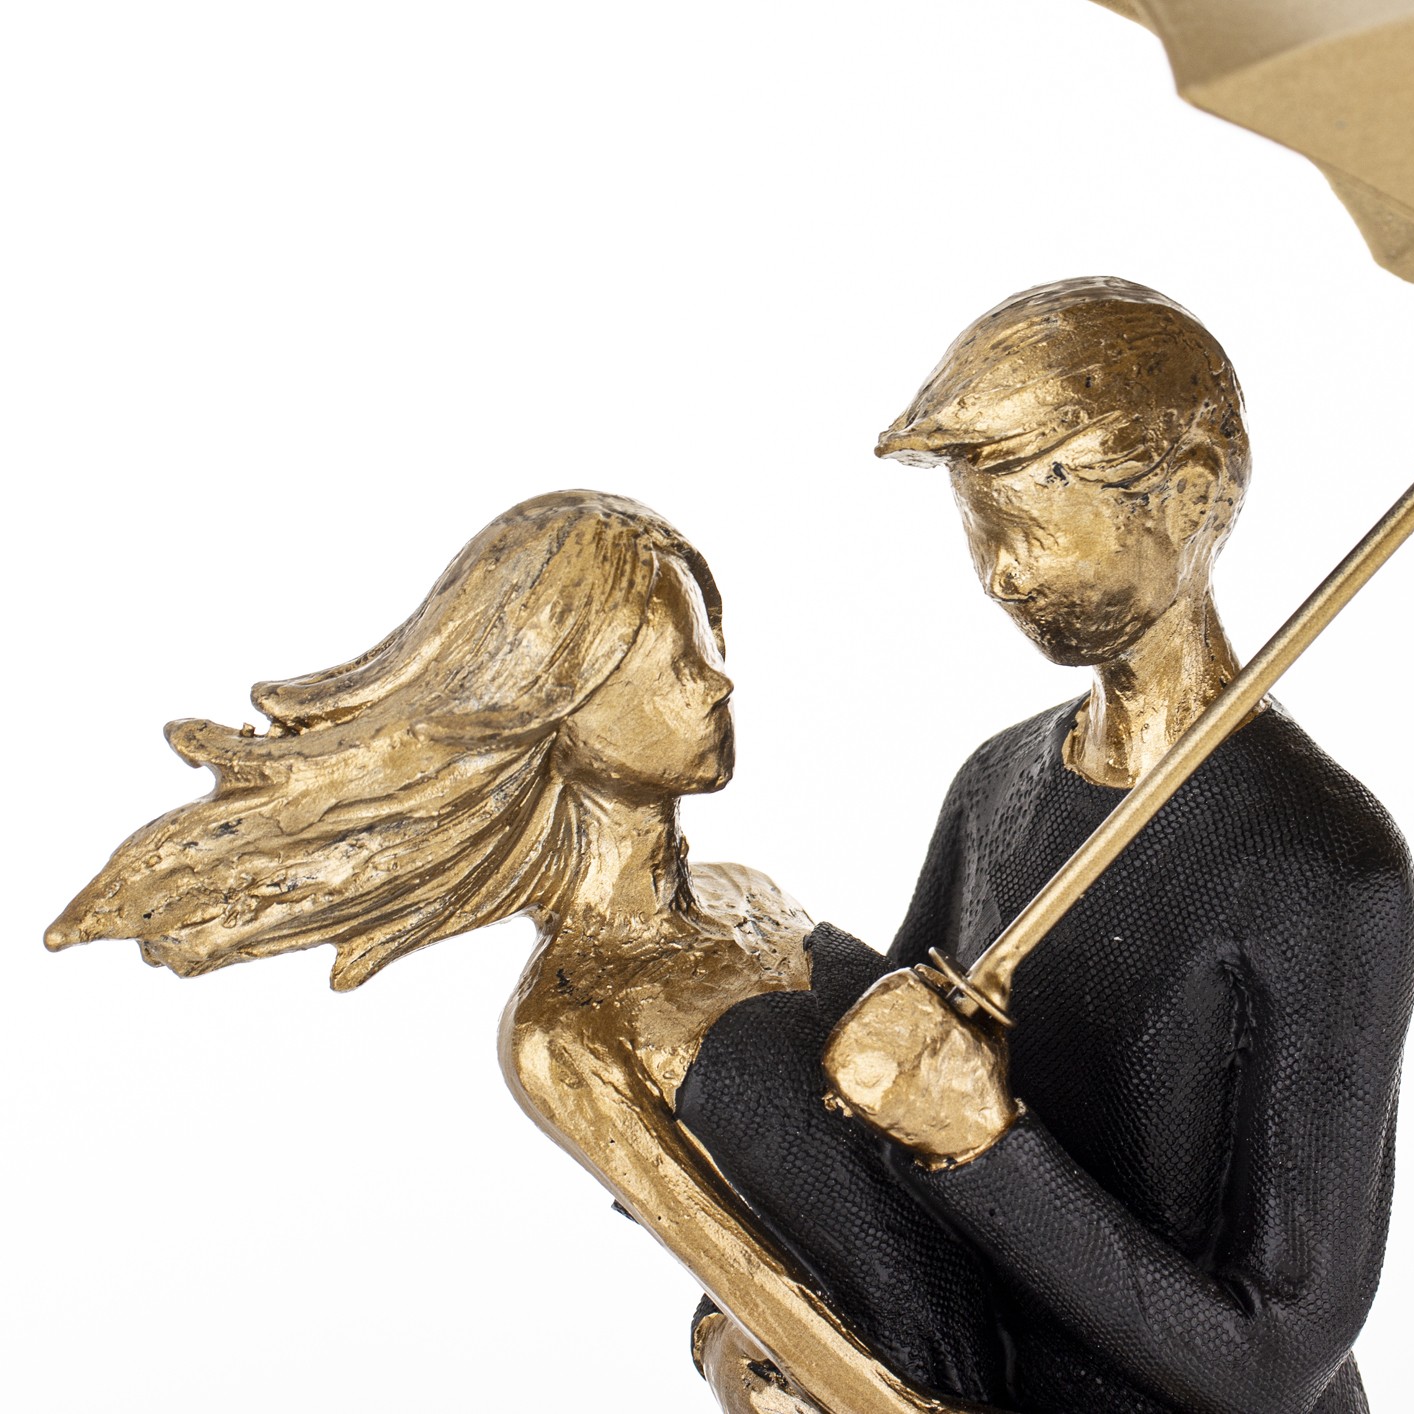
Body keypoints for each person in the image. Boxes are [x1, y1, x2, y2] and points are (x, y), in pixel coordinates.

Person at [46, 490, 994, 1414]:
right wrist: (741, 1351)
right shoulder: (568, 1035)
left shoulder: (750, 891)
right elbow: (764, 1293)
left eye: (711, 645)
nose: (717, 680)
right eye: (673, 659)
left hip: (1037, 1261)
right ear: (559, 703)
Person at [682, 278, 1414, 1414]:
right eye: (978, 525)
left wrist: (985, 1144)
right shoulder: (998, 785)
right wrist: (749, 1314)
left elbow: (1272, 1363)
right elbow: (884, 1142)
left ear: (1192, 493)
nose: (1001, 571)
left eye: (1031, 522)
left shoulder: (1325, 870)